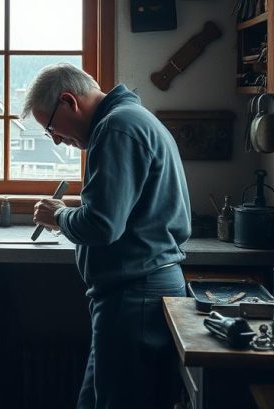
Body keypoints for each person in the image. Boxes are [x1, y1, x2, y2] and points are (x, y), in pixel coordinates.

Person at [25, 63, 191, 409]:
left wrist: (59, 215)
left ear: (69, 101)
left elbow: (102, 225)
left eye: (52, 128)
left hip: (135, 295)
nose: (56, 138)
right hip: (133, 292)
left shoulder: (117, 128)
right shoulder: (130, 120)